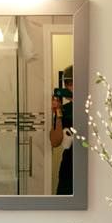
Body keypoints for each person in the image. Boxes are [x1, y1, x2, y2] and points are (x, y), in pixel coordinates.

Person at [50, 65, 74, 195]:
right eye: (68, 84)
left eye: (74, 83)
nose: (71, 87)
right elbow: (55, 142)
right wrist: (58, 112)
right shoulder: (65, 109)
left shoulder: (92, 106)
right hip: (68, 165)